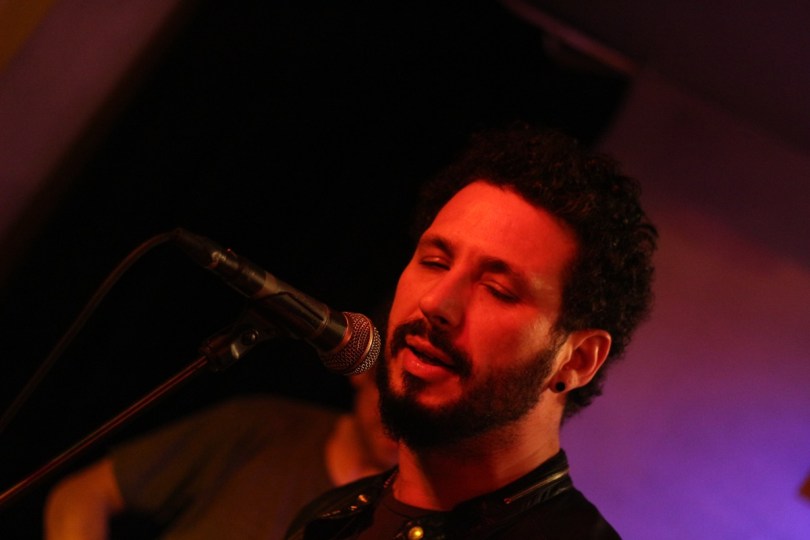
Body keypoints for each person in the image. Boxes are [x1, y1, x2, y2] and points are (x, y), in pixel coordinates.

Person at [284, 122, 658, 539]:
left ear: (577, 360)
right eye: (435, 262)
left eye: (497, 290)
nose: (436, 303)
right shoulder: (331, 517)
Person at [43, 368, 398, 539]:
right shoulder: (262, 425)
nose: (394, 422)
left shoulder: (417, 521)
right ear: (364, 371)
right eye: (389, 393)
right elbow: (79, 496)